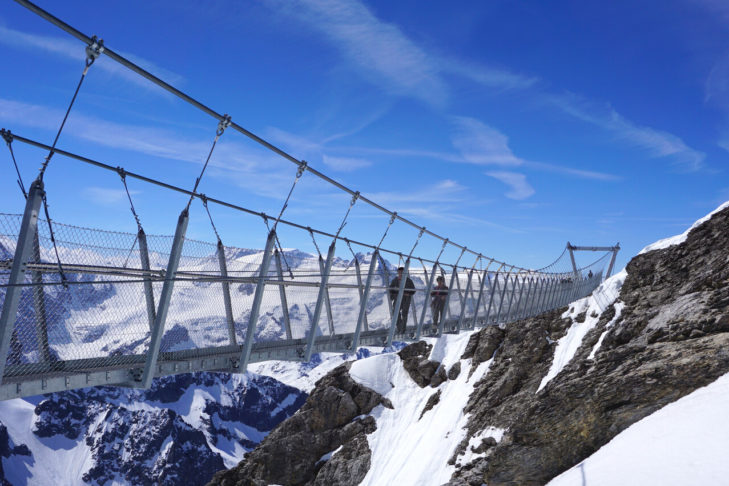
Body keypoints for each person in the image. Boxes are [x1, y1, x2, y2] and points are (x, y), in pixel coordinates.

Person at [389, 266, 416, 334]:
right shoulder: (395, 280)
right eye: (399, 272)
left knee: (404, 313)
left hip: (406, 299)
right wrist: (392, 296)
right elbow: (391, 289)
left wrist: (408, 293)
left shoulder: (409, 281)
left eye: (402, 272)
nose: (401, 273)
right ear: (398, 272)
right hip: (397, 298)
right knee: (395, 312)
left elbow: (413, 290)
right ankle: (399, 327)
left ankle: (403, 329)